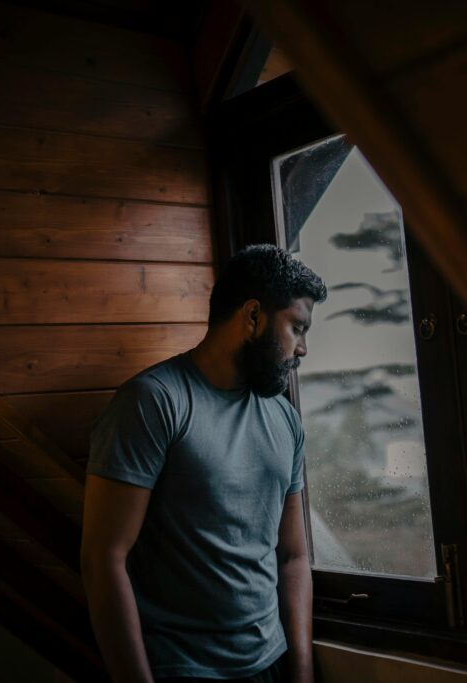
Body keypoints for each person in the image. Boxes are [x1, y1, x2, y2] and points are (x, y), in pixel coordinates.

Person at [81, 244, 326, 683]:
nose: (302, 349)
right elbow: (104, 558)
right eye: (297, 328)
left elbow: (292, 556)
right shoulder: (154, 403)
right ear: (253, 317)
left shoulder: (285, 419)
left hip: (269, 663)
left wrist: (302, 673)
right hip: (182, 667)